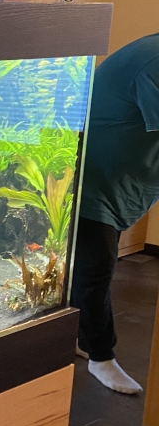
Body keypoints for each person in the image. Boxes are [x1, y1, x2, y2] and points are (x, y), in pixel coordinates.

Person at [72, 32, 159, 395]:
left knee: (88, 267)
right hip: (94, 180)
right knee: (94, 269)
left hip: (121, 182)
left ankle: (78, 335)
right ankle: (100, 356)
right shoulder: (154, 61)